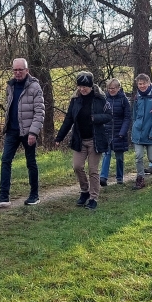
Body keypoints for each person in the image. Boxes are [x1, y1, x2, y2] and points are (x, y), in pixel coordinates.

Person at [0, 58, 45, 207]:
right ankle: (4, 196)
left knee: (31, 163)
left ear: (27, 70)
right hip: (12, 131)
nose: (18, 73)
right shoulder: (10, 86)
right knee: (5, 161)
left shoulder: (35, 87)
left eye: (20, 70)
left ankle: (34, 195)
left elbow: (39, 112)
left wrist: (33, 133)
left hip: (28, 132)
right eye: (15, 70)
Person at [54, 72, 111, 210]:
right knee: (77, 166)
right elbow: (69, 119)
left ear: (91, 86)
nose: (82, 89)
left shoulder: (100, 99)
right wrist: (59, 137)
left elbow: (109, 116)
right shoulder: (75, 100)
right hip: (79, 139)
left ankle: (93, 198)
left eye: (85, 86)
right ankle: (84, 191)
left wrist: (95, 118)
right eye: (80, 86)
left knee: (93, 170)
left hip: (95, 140)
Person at [100, 78, 132, 186]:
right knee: (106, 154)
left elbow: (127, 118)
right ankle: (103, 177)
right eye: (109, 88)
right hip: (107, 132)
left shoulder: (124, 100)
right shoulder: (104, 99)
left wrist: (122, 132)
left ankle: (119, 178)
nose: (111, 90)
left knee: (119, 157)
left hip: (119, 132)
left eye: (113, 88)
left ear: (118, 88)